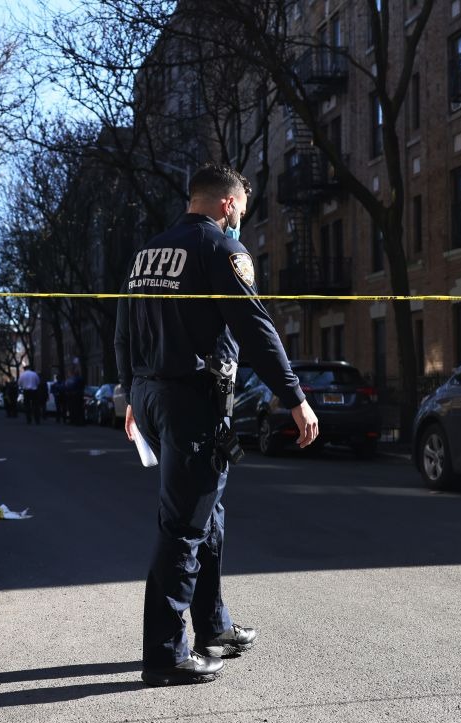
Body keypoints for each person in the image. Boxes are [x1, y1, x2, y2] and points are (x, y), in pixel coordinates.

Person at [115, 164, 319, 688]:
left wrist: (128, 393)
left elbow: (124, 326)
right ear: (227, 204)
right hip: (192, 402)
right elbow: (253, 325)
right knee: (184, 525)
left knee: (208, 516)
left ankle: (213, 627)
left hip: (151, 392)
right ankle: (164, 653)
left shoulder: (148, 253)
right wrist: (293, 396)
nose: (241, 223)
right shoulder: (220, 249)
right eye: (242, 212)